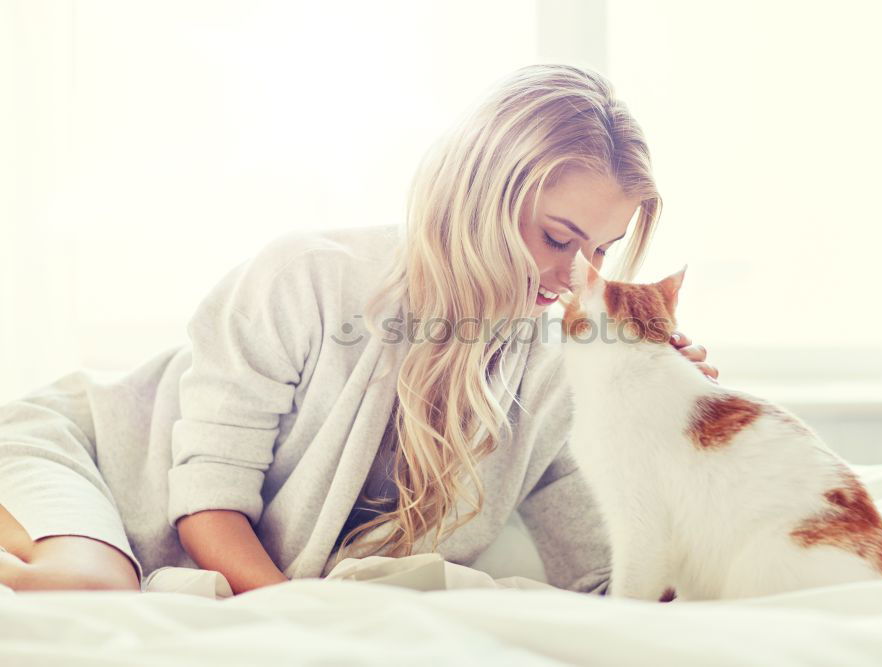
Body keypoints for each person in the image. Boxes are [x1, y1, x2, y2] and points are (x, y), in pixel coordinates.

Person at [0, 63, 718, 595]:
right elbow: (208, 507)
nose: (577, 277)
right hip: (85, 452)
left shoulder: (561, 370)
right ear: (481, 194)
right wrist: (296, 621)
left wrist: (664, 427)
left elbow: (604, 569)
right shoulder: (309, 276)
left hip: (174, 532)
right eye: (558, 237)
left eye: (602, 249)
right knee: (88, 585)